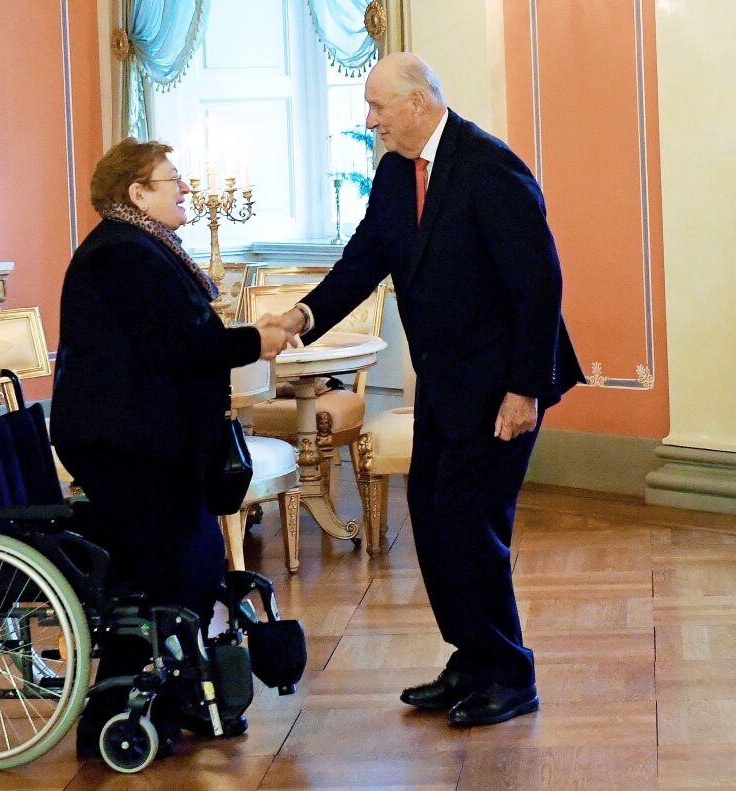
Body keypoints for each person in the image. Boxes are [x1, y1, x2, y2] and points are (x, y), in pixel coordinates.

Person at [281, 53, 583, 726]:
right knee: (436, 519)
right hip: (446, 384)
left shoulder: (489, 166)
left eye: (378, 107)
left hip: (504, 386)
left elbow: (539, 286)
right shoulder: (394, 171)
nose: (370, 121)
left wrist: (523, 391)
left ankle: (509, 672)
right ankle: (471, 658)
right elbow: (366, 256)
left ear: (419, 103)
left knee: (470, 526)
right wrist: (305, 317)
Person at [50, 137, 291, 756]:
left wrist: (244, 340)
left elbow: (179, 337)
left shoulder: (138, 247)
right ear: (137, 193)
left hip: (144, 440)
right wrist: (253, 341)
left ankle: (164, 698)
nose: (185, 189)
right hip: (126, 443)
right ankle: (133, 707)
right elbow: (179, 343)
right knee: (176, 566)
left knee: (179, 567)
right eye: (172, 179)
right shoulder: (124, 254)